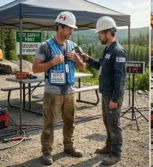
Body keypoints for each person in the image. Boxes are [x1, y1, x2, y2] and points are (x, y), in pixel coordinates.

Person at [32, 11, 85, 165]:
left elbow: (83, 67)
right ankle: (46, 152)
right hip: (52, 93)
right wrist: (52, 63)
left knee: (70, 121)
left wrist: (77, 58)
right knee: (49, 123)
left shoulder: (73, 46)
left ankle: (69, 146)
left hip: (70, 92)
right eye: (69, 28)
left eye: (72, 29)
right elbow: (35, 68)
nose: (72, 31)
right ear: (60, 27)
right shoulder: (45, 46)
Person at [80, 16, 127, 165]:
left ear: (108, 33)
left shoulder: (118, 52)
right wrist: (87, 59)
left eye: (100, 33)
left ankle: (116, 153)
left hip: (113, 95)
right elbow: (100, 65)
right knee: (108, 122)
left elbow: (120, 79)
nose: (98, 36)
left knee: (114, 124)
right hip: (106, 93)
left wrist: (115, 99)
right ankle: (108, 146)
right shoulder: (108, 49)